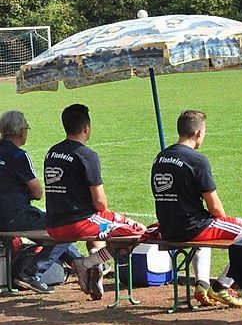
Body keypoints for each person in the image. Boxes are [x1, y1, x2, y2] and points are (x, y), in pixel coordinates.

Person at [151, 110, 242, 308]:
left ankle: (202, 285)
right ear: (198, 133)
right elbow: (215, 207)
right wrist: (223, 221)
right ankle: (222, 286)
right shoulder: (197, 160)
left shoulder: (160, 157)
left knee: (205, 226)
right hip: (191, 227)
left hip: (168, 228)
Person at [44, 104, 146, 301]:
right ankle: (88, 263)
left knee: (103, 224)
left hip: (52, 224)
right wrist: (105, 216)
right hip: (76, 223)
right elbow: (100, 202)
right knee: (137, 231)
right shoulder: (87, 155)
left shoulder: (52, 152)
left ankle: (94, 264)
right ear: (86, 128)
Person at [0, 111, 82, 294]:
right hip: (14, 217)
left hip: (7, 216)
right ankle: (32, 272)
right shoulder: (19, 156)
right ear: (21, 131)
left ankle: (80, 262)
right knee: (66, 227)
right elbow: (37, 192)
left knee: (51, 227)